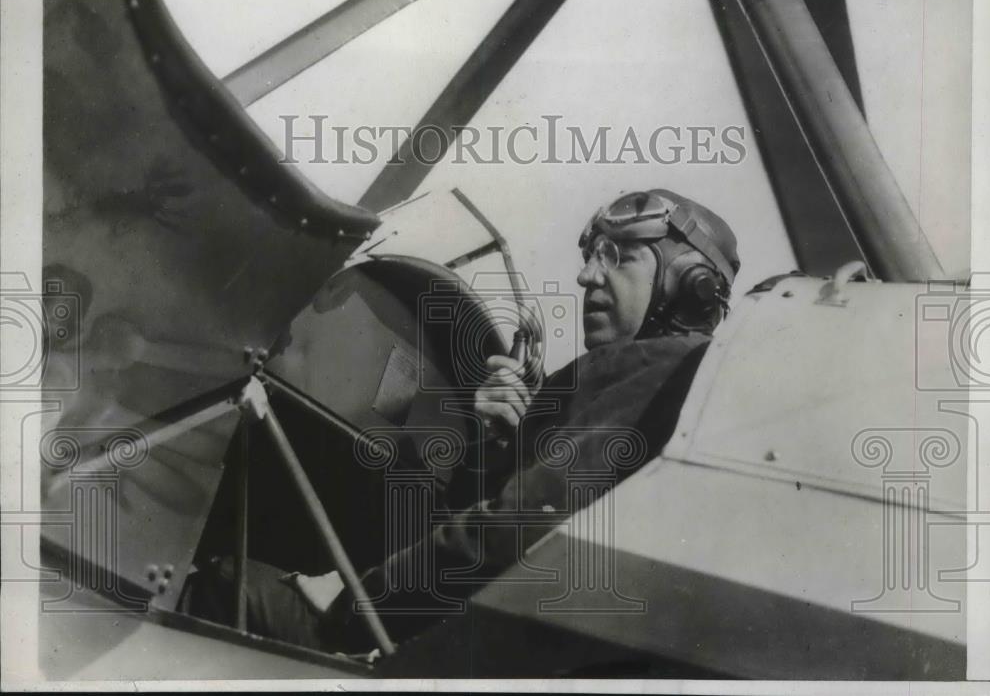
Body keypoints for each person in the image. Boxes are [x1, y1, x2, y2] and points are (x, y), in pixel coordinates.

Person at [183, 188, 740, 655]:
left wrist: (353, 599)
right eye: (592, 255)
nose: (587, 276)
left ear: (690, 284)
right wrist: (493, 447)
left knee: (227, 587)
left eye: (618, 256)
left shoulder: (662, 366)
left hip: (459, 647)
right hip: (478, 642)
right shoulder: (636, 383)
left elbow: (521, 532)